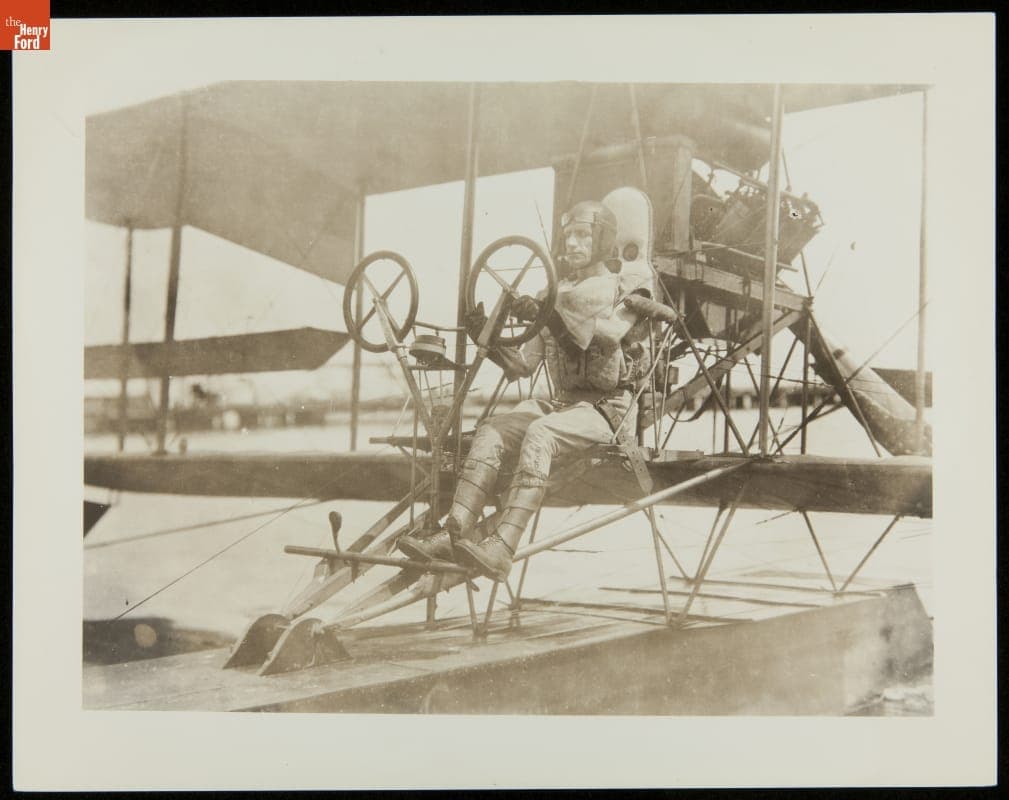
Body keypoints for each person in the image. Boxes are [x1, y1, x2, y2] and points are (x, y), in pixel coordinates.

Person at [397, 199, 654, 581]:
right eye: (568, 236)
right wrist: (485, 334)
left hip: (607, 411)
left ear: (602, 240)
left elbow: (607, 336)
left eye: (583, 235)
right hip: (563, 405)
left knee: (539, 434)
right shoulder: (556, 291)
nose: (572, 244)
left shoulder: (626, 288)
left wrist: (548, 315)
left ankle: (502, 548)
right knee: (492, 430)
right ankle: (452, 531)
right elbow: (523, 365)